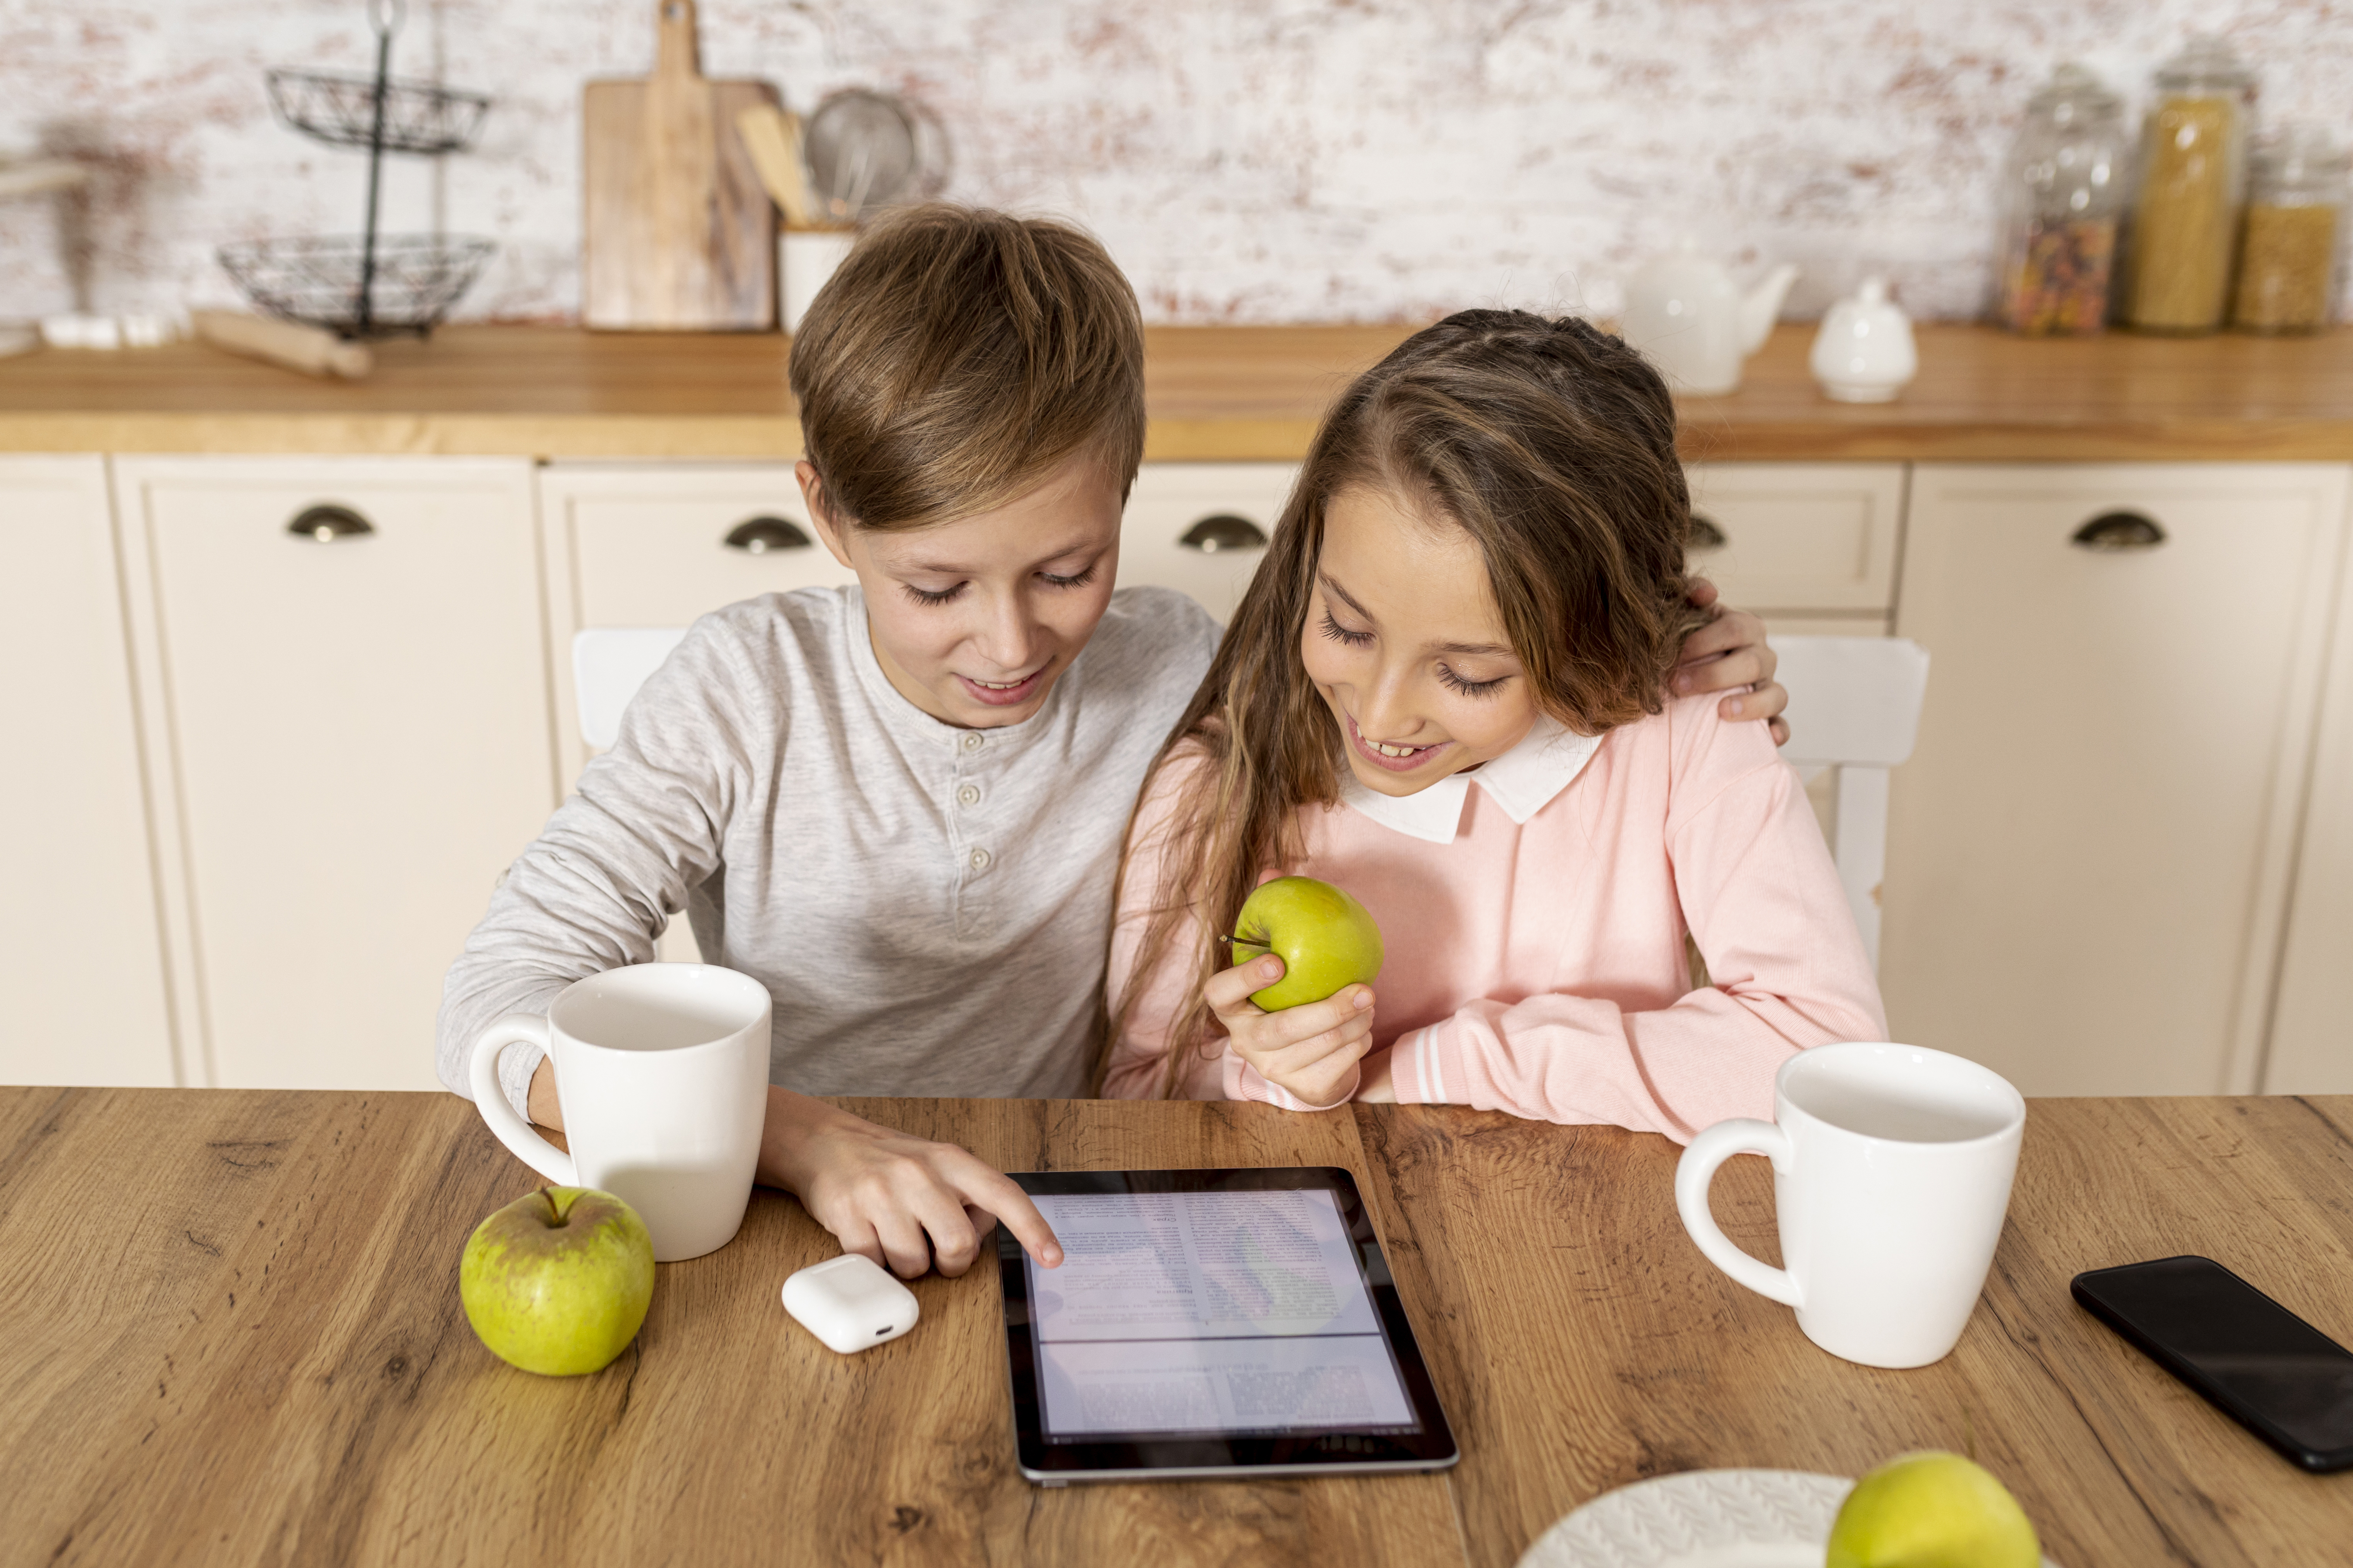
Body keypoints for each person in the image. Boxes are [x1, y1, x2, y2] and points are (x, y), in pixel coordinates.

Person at [437, 209, 1793, 1279]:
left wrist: (1659, 656)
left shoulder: (1177, 669)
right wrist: (802, 1138)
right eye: (935, 588)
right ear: (829, 516)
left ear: (1127, 493)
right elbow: (498, 998)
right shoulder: (742, 692)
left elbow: (1440, 651)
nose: (1010, 642)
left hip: (1062, 1207)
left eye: (1069, 568)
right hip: (766, 1215)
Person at [1102, 309, 1883, 1137]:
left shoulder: (1690, 729)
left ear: (1588, 640)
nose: (1379, 709)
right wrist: (1274, 1075)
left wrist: (1441, 1065)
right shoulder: (1216, 787)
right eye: (1345, 628)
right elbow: (1137, 1100)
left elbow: (1822, 1057)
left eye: (1466, 674)